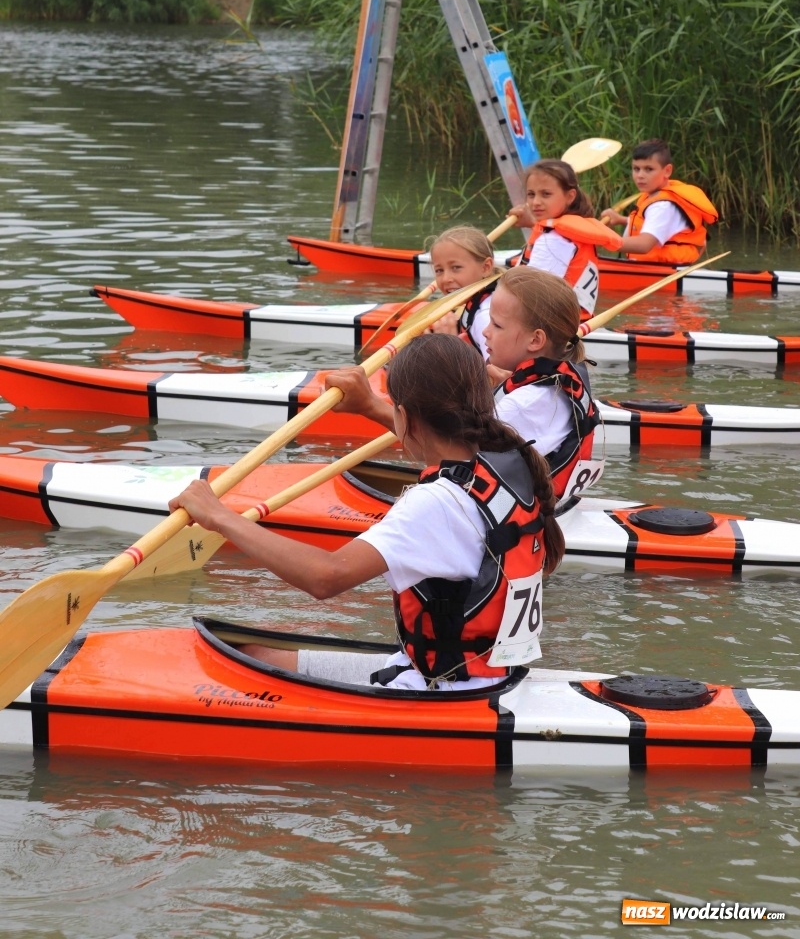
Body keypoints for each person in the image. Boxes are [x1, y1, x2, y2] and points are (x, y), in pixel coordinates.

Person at [169, 334, 564, 692]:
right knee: (255, 653)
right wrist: (369, 407)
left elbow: (326, 577)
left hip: (443, 691)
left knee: (237, 668)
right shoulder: (510, 463)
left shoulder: (434, 504)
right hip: (490, 676)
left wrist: (219, 516)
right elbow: (432, 443)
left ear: (406, 417)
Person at [327, 267, 598, 501]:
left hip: (520, 522)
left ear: (536, 341)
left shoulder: (524, 404)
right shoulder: (548, 383)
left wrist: (369, 405)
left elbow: (447, 452)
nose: (485, 331)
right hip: (546, 501)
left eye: (497, 325)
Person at [509, 158, 623, 319]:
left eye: (546, 194)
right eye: (531, 194)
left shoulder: (553, 240)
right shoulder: (567, 232)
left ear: (570, 196)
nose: (535, 202)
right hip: (575, 321)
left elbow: (531, 295)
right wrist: (534, 224)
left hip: (551, 326)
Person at [599, 139, 718, 263]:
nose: (640, 175)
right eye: (636, 169)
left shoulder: (662, 206)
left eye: (649, 169)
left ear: (667, 171)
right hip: (656, 269)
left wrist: (601, 239)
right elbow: (656, 223)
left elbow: (644, 245)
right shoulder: (656, 196)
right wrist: (621, 220)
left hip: (664, 272)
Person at [426, 225, 499, 358]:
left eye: (456, 267)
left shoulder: (485, 316)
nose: (446, 279)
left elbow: (498, 375)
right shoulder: (476, 303)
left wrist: (451, 345)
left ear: (486, 267)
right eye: (439, 270)